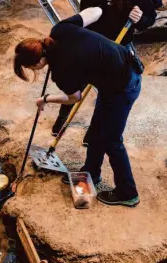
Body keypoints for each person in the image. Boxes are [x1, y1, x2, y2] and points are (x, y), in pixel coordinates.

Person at [13, 7, 141, 207]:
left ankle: (128, 192)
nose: (33, 71)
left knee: (112, 140)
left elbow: (74, 98)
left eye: (30, 68)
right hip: (114, 76)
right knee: (97, 130)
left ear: (38, 62)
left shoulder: (61, 72)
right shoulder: (60, 30)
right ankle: (91, 173)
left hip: (124, 86)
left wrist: (45, 99)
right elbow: (96, 11)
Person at [51, 0, 156, 147]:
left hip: (117, 49)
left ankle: (92, 133)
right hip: (91, 42)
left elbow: (150, 18)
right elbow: (86, 10)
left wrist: (140, 20)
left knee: (106, 91)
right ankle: (62, 120)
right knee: (76, 81)